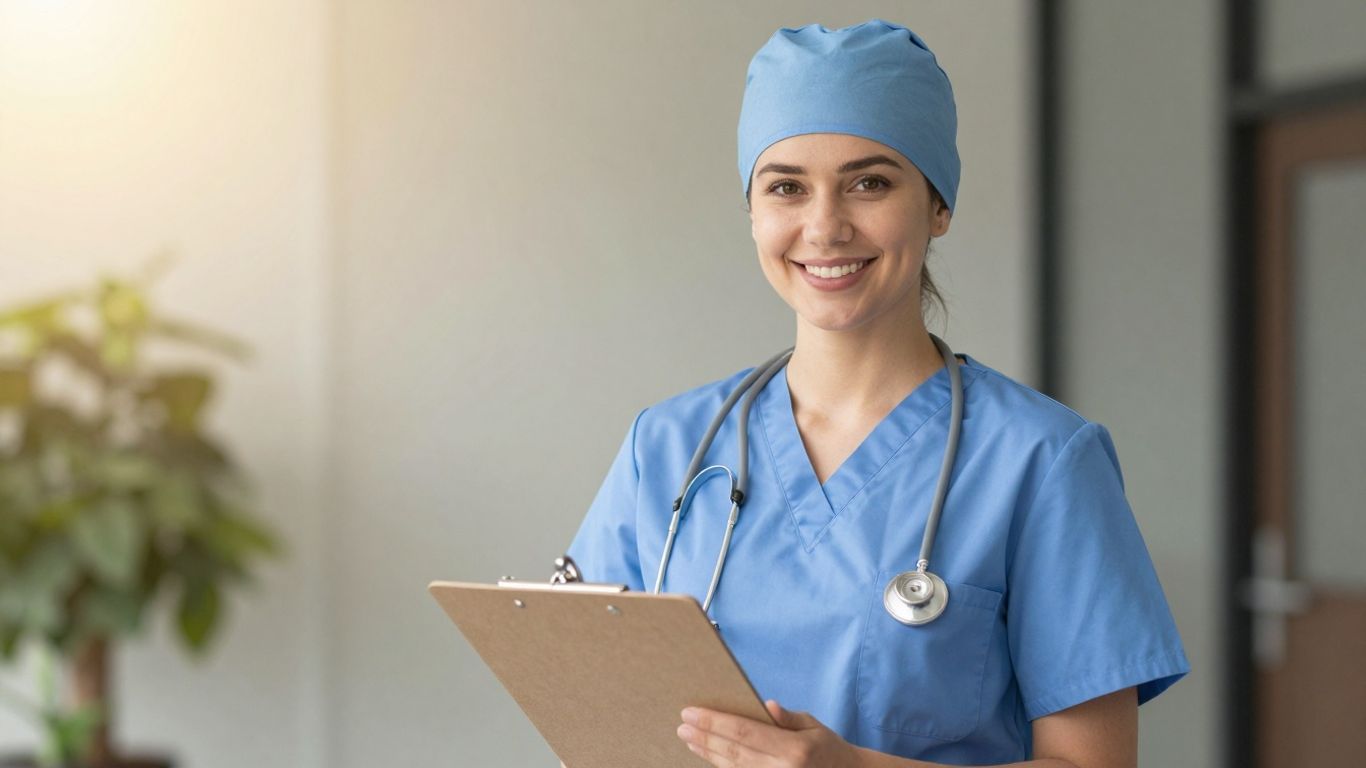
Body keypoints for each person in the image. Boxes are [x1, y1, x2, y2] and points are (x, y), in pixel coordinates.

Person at [565, 18, 1189, 767]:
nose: (824, 227)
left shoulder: (1042, 462)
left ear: (938, 206)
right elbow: (587, 707)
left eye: (869, 183)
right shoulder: (665, 448)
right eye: (787, 187)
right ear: (754, 213)